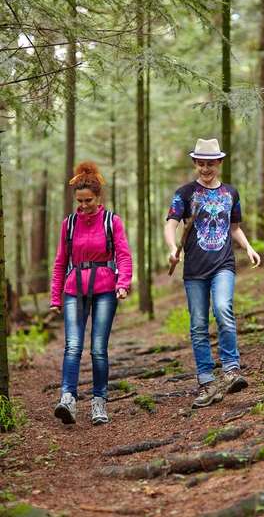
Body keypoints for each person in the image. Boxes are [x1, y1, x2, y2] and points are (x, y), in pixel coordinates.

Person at [164, 138, 261, 409]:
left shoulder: (231, 193)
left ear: (219, 163)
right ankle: (207, 380)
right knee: (198, 324)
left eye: (211, 163)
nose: (206, 169)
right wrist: (173, 249)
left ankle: (231, 370)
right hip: (194, 268)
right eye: (201, 163)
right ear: (195, 163)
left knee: (223, 308)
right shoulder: (184, 193)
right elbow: (170, 225)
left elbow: (235, 228)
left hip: (223, 264)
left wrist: (249, 248)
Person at [50, 161, 132, 425]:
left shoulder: (112, 221)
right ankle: (68, 400)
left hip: (106, 289)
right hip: (74, 289)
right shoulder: (69, 224)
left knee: (98, 349)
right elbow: (61, 261)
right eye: (79, 201)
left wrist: (123, 283)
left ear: (98, 197)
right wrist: (55, 296)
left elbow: (123, 254)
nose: (83, 206)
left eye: (88, 201)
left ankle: (99, 402)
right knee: (73, 347)